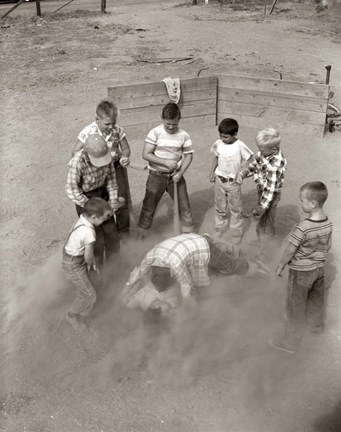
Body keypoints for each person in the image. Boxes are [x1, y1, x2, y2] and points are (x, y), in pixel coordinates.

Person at [121, 233, 271, 312]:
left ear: (172, 274)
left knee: (229, 267)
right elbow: (132, 279)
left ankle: (255, 267)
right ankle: (219, 244)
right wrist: (123, 293)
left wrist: (193, 315)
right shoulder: (149, 259)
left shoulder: (177, 266)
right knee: (206, 276)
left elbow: (187, 295)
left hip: (202, 247)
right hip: (186, 244)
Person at [269, 182, 333, 353]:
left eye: (302, 201)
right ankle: (316, 327)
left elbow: (291, 249)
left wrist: (281, 265)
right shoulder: (328, 223)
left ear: (312, 204)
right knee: (316, 300)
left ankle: (291, 342)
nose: (300, 203)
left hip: (300, 273)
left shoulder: (303, 227)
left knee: (294, 307)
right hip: (319, 270)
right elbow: (327, 247)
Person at [72, 100, 131, 236]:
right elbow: (75, 152)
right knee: (102, 199)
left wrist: (125, 157)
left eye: (113, 123)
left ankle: (123, 230)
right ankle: (98, 229)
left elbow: (126, 149)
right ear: (97, 120)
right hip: (97, 170)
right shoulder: (88, 132)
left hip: (115, 168)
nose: (111, 127)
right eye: (107, 124)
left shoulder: (118, 130)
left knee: (120, 199)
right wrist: (90, 161)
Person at [137, 102, 195, 238]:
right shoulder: (155, 132)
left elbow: (188, 156)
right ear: (162, 119)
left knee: (184, 204)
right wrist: (165, 162)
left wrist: (180, 173)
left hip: (175, 176)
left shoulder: (183, 135)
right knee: (149, 206)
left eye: (174, 124)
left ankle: (189, 233)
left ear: (179, 120)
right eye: (167, 124)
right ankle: (142, 235)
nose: (170, 127)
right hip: (156, 176)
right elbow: (146, 154)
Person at [66, 134, 123, 268]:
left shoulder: (107, 156)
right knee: (95, 237)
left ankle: (114, 266)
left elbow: (111, 180)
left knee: (111, 232)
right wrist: (91, 206)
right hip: (85, 198)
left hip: (102, 192)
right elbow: (72, 189)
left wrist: (113, 199)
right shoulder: (77, 162)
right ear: (87, 153)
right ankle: (97, 268)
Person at [62, 197, 113, 331]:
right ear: (95, 217)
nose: (107, 219)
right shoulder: (89, 232)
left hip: (71, 257)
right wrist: (91, 264)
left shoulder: (82, 219)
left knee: (92, 283)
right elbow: (88, 255)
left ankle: (86, 306)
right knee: (89, 295)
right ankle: (71, 316)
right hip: (74, 264)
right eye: (106, 217)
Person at [237, 127, 287, 246]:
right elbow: (255, 164)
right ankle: (260, 240)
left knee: (267, 221)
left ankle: (267, 245)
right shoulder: (264, 153)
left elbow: (270, 189)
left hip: (271, 194)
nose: (259, 151)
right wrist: (244, 173)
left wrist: (262, 206)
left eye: (262, 149)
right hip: (262, 189)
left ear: (273, 149)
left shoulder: (275, 165)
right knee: (261, 219)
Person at [209, 118, 253, 244]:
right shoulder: (218, 144)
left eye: (226, 137)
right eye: (221, 136)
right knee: (219, 207)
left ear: (234, 134)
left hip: (233, 183)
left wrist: (242, 172)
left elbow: (250, 159)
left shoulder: (240, 145)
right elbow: (216, 158)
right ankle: (219, 227)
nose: (223, 139)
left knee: (236, 209)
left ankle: (236, 232)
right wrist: (211, 173)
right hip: (219, 181)